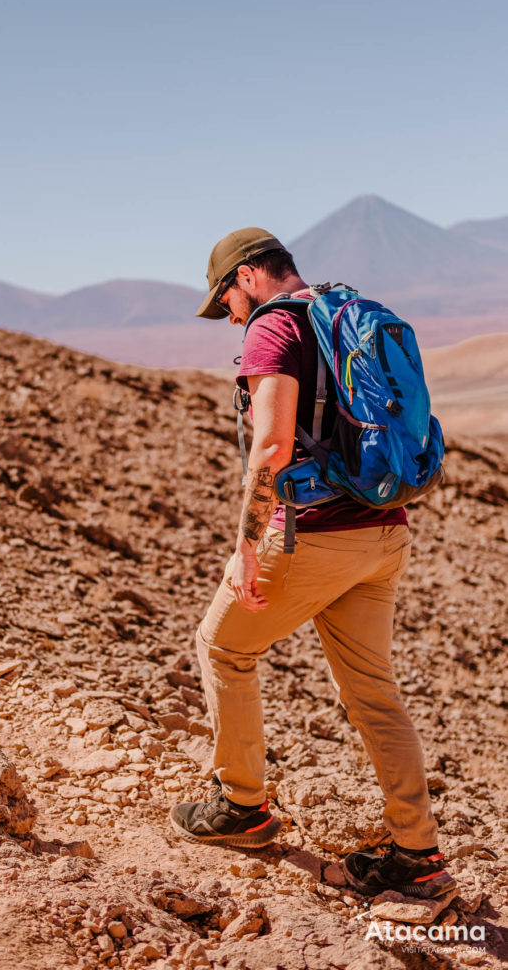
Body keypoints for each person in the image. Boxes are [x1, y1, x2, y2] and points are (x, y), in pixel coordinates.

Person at [169, 227, 456, 899]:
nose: (230, 320)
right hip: (383, 533)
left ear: (244, 278)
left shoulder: (273, 330)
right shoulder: (345, 310)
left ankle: (241, 809)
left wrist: (245, 543)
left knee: (222, 647)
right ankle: (415, 855)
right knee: (372, 692)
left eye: (226, 304)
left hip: (314, 535)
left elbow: (269, 445)